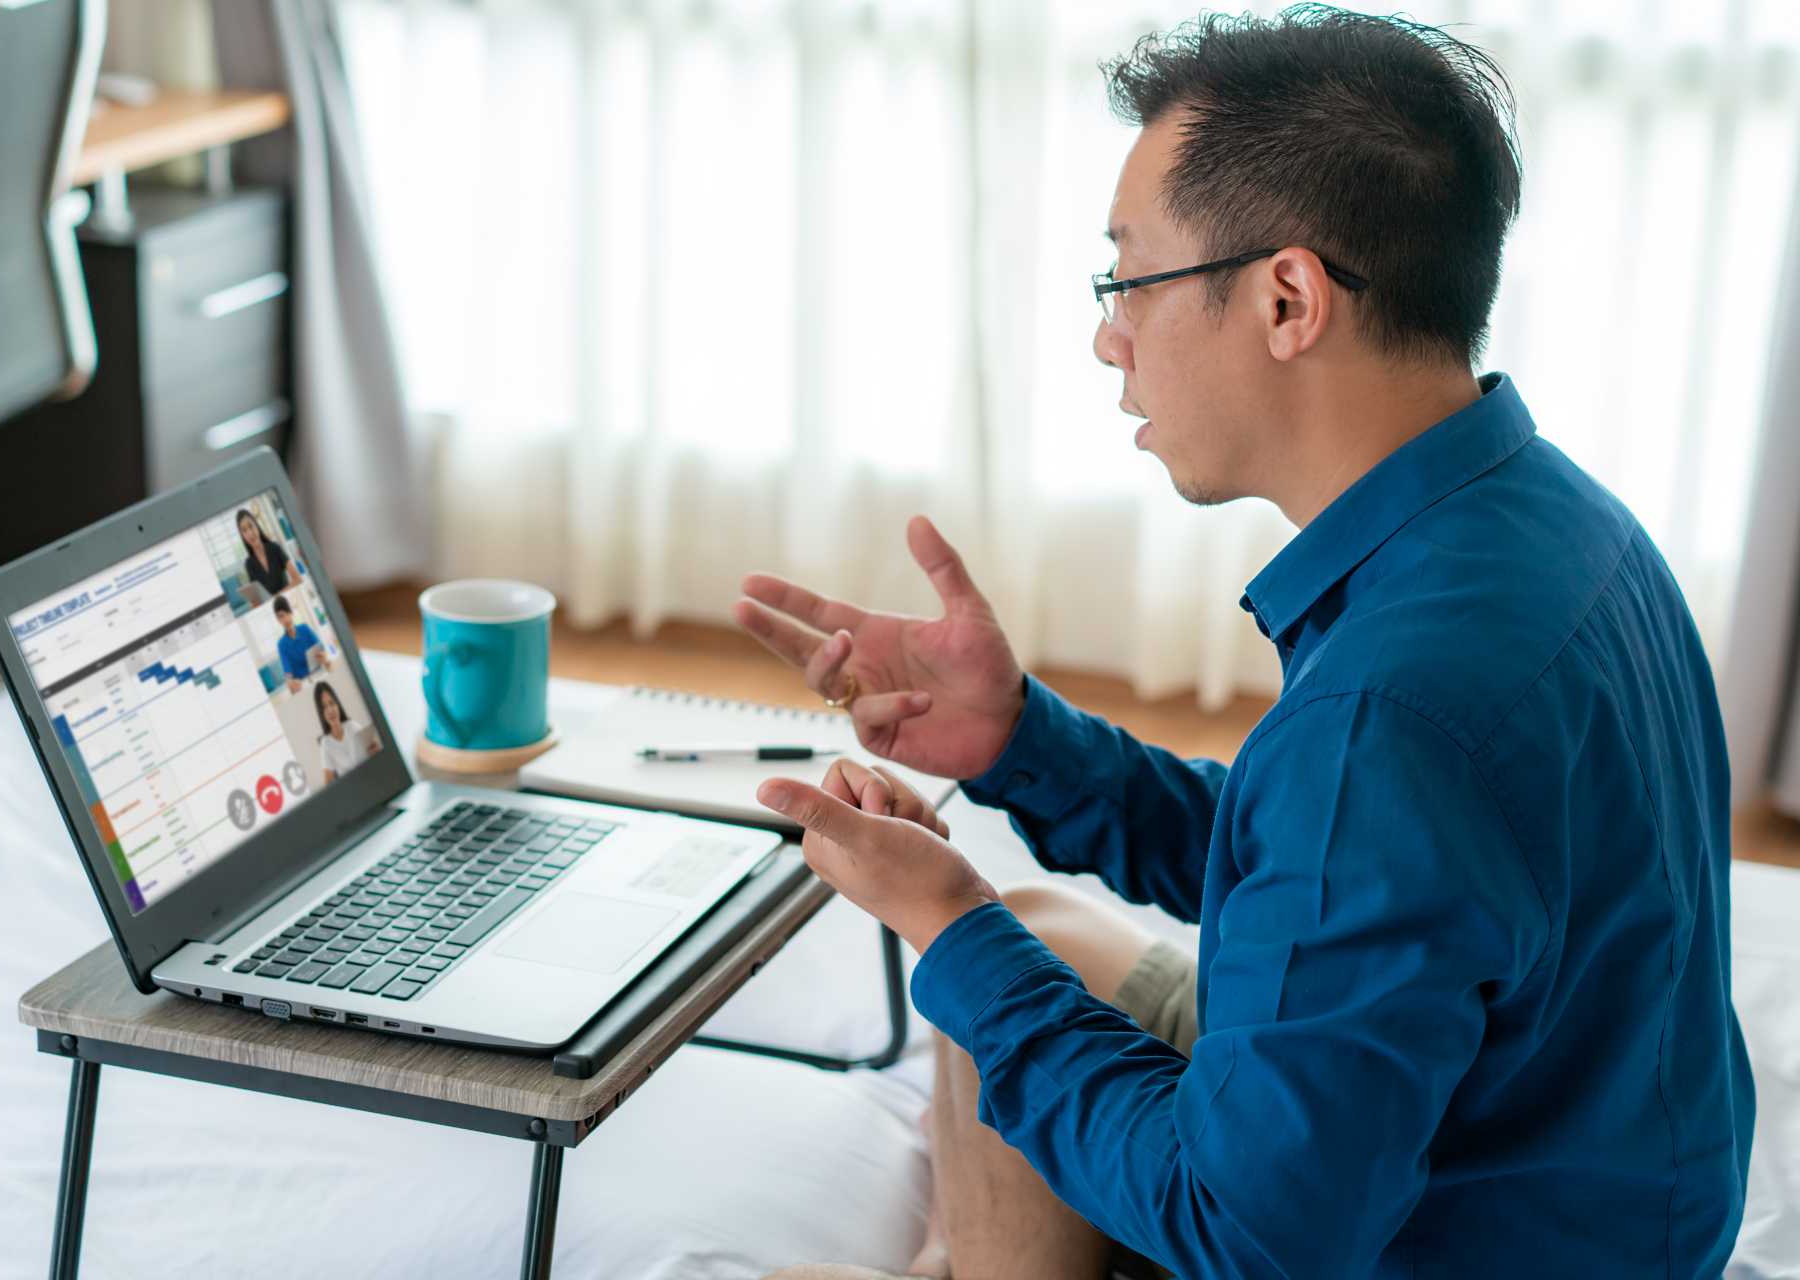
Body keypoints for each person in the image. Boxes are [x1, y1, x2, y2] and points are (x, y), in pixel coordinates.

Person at [744, 9, 1752, 1279]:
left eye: (1128, 279)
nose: (1109, 335)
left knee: (993, 972)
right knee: (1041, 931)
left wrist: (945, 919)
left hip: (1430, 1231)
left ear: (1288, 298)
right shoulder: (1558, 520)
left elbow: (1250, 1236)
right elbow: (1334, 868)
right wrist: (1019, 741)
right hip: (1586, 1176)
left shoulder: (1392, 711)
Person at [313, 679, 378, 783]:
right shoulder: (326, 744)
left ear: (337, 704)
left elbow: (375, 752)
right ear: (321, 713)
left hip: (370, 778)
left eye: (332, 703)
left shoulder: (352, 726)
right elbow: (328, 784)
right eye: (324, 707)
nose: (330, 710)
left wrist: (374, 752)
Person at [236, 506, 301, 605]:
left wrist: (277, 597)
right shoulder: (249, 564)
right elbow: (257, 600)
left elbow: (297, 579)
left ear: (256, 526)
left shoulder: (275, 548)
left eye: (250, 526)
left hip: (290, 602)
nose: (249, 533)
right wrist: (254, 603)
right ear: (243, 536)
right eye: (244, 531)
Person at [272, 594, 327, 694]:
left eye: (286, 614)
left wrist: (323, 656)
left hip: (319, 673)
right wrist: (290, 682)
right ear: (278, 620)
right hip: (302, 684)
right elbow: (287, 672)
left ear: (291, 613)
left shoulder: (305, 629)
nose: (285, 619)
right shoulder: (281, 644)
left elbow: (321, 649)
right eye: (280, 617)